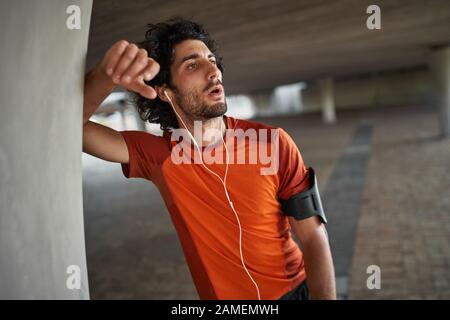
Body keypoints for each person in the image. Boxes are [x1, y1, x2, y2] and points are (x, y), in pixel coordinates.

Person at [83, 18, 336, 300]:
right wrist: (104, 79)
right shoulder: (159, 156)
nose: (213, 71)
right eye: (193, 65)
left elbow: (313, 237)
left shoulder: (273, 143)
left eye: (212, 60)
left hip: (298, 291)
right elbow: (73, 131)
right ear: (166, 91)